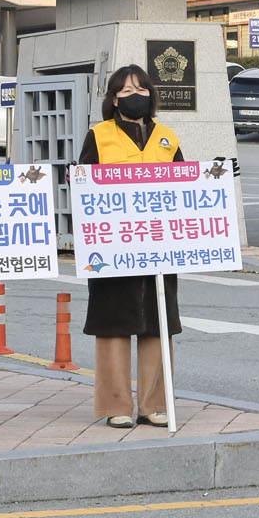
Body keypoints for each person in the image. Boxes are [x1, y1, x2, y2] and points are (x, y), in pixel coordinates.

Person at [79, 66, 186, 427]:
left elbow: (185, 187)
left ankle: (153, 405)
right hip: (114, 248)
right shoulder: (98, 136)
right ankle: (116, 407)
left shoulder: (167, 138)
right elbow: (83, 187)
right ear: (113, 99)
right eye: (126, 91)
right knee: (114, 327)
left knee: (158, 326)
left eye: (141, 89)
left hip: (159, 246)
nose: (134, 96)